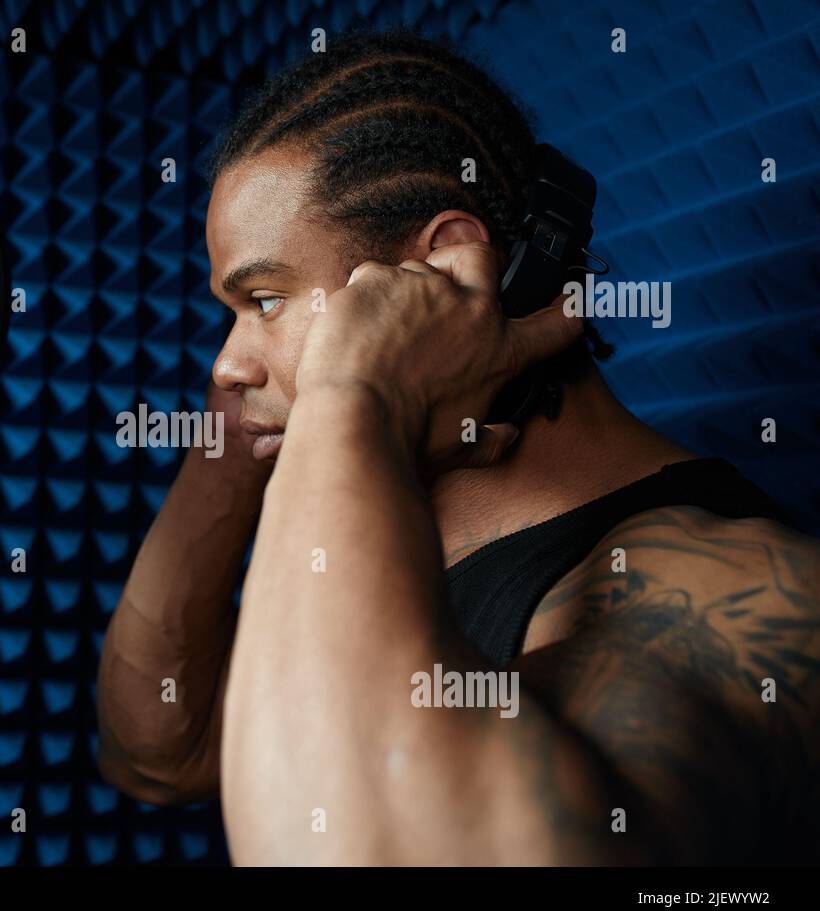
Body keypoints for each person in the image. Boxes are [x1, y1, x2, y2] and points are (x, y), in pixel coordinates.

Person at [96, 31, 819, 864]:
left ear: (440, 272)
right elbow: (157, 751)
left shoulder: (721, 591)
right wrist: (236, 441)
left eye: (263, 298)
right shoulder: (392, 537)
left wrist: (353, 393)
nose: (225, 361)